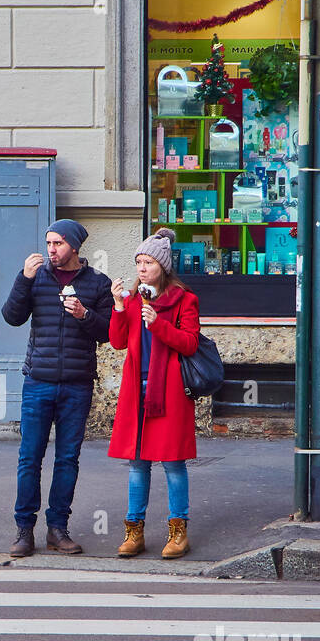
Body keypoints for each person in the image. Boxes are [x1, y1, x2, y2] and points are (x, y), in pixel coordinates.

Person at [2, 219, 113, 558]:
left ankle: (57, 529)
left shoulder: (97, 283)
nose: (51, 249)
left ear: (75, 247)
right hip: (38, 381)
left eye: (58, 244)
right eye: (49, 243)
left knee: (67, 459)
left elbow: (108, 333)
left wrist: (84, 314)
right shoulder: (37, 278)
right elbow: (11, 316)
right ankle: (24, 530)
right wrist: (24, 279)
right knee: (29, 458)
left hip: (77, 385)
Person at [107, 226, 200, 559]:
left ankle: (178, 533)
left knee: (173, 463)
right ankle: (134, 531)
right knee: (137, 463)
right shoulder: (133, 301)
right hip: (137, 389)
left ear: (163, 266)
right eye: (139, 262)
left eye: (148, 262)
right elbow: (118, 342)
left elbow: (189, 343)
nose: (142, 268)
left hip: (170, 389)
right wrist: (119, 306)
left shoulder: (184, 300)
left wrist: (157, 323)